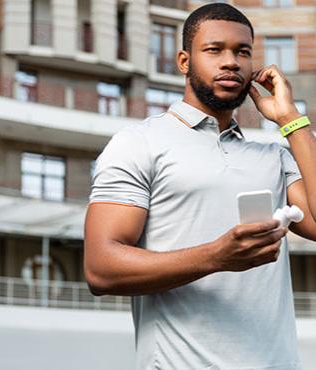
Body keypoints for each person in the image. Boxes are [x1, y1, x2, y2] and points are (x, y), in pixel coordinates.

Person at [84, 3, 316, 369]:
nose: (231, 62)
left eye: (243, 52)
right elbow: (100, 268)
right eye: (214, 50)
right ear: (184, 61)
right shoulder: (139, 142)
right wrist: (215, 257)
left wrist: (291, 120)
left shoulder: (274, 156)